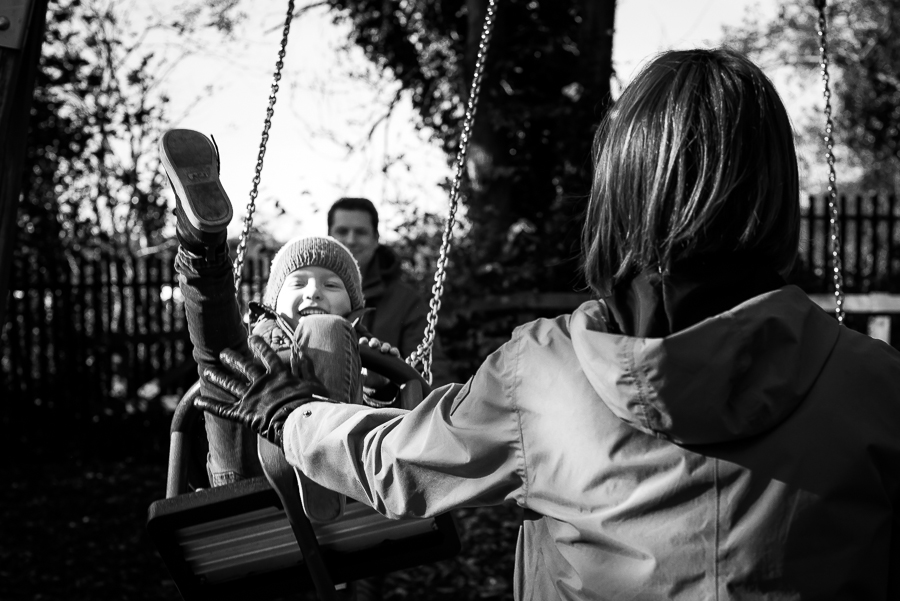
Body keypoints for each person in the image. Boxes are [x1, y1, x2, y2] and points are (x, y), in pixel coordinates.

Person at [195, 49, 900, 599]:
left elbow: (397, 460)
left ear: (620, 188)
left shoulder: (548, 375)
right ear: (778, 190)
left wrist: (288, 411)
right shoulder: (875, 385)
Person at [161, 130, 400, 520]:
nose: (314, 293)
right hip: (242, 471)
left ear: (354, 308)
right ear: (273, 302)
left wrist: (381, 386)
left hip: (340, 465)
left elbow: (392, 424)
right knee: (221, 353)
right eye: (299, 283)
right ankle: (202, 248)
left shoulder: (356, 347)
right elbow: (218, 355)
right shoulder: (255, 339)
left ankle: (320, 470)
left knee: (327, 331)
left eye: (331, 285)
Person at [327, 197, 454, 387]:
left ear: (376, 238)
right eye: (342, 231)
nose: (351, 240)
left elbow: (430, 368)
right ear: (329, 236)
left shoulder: (405, 301)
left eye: (361, 232)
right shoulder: (308, 294)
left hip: (383, 411)